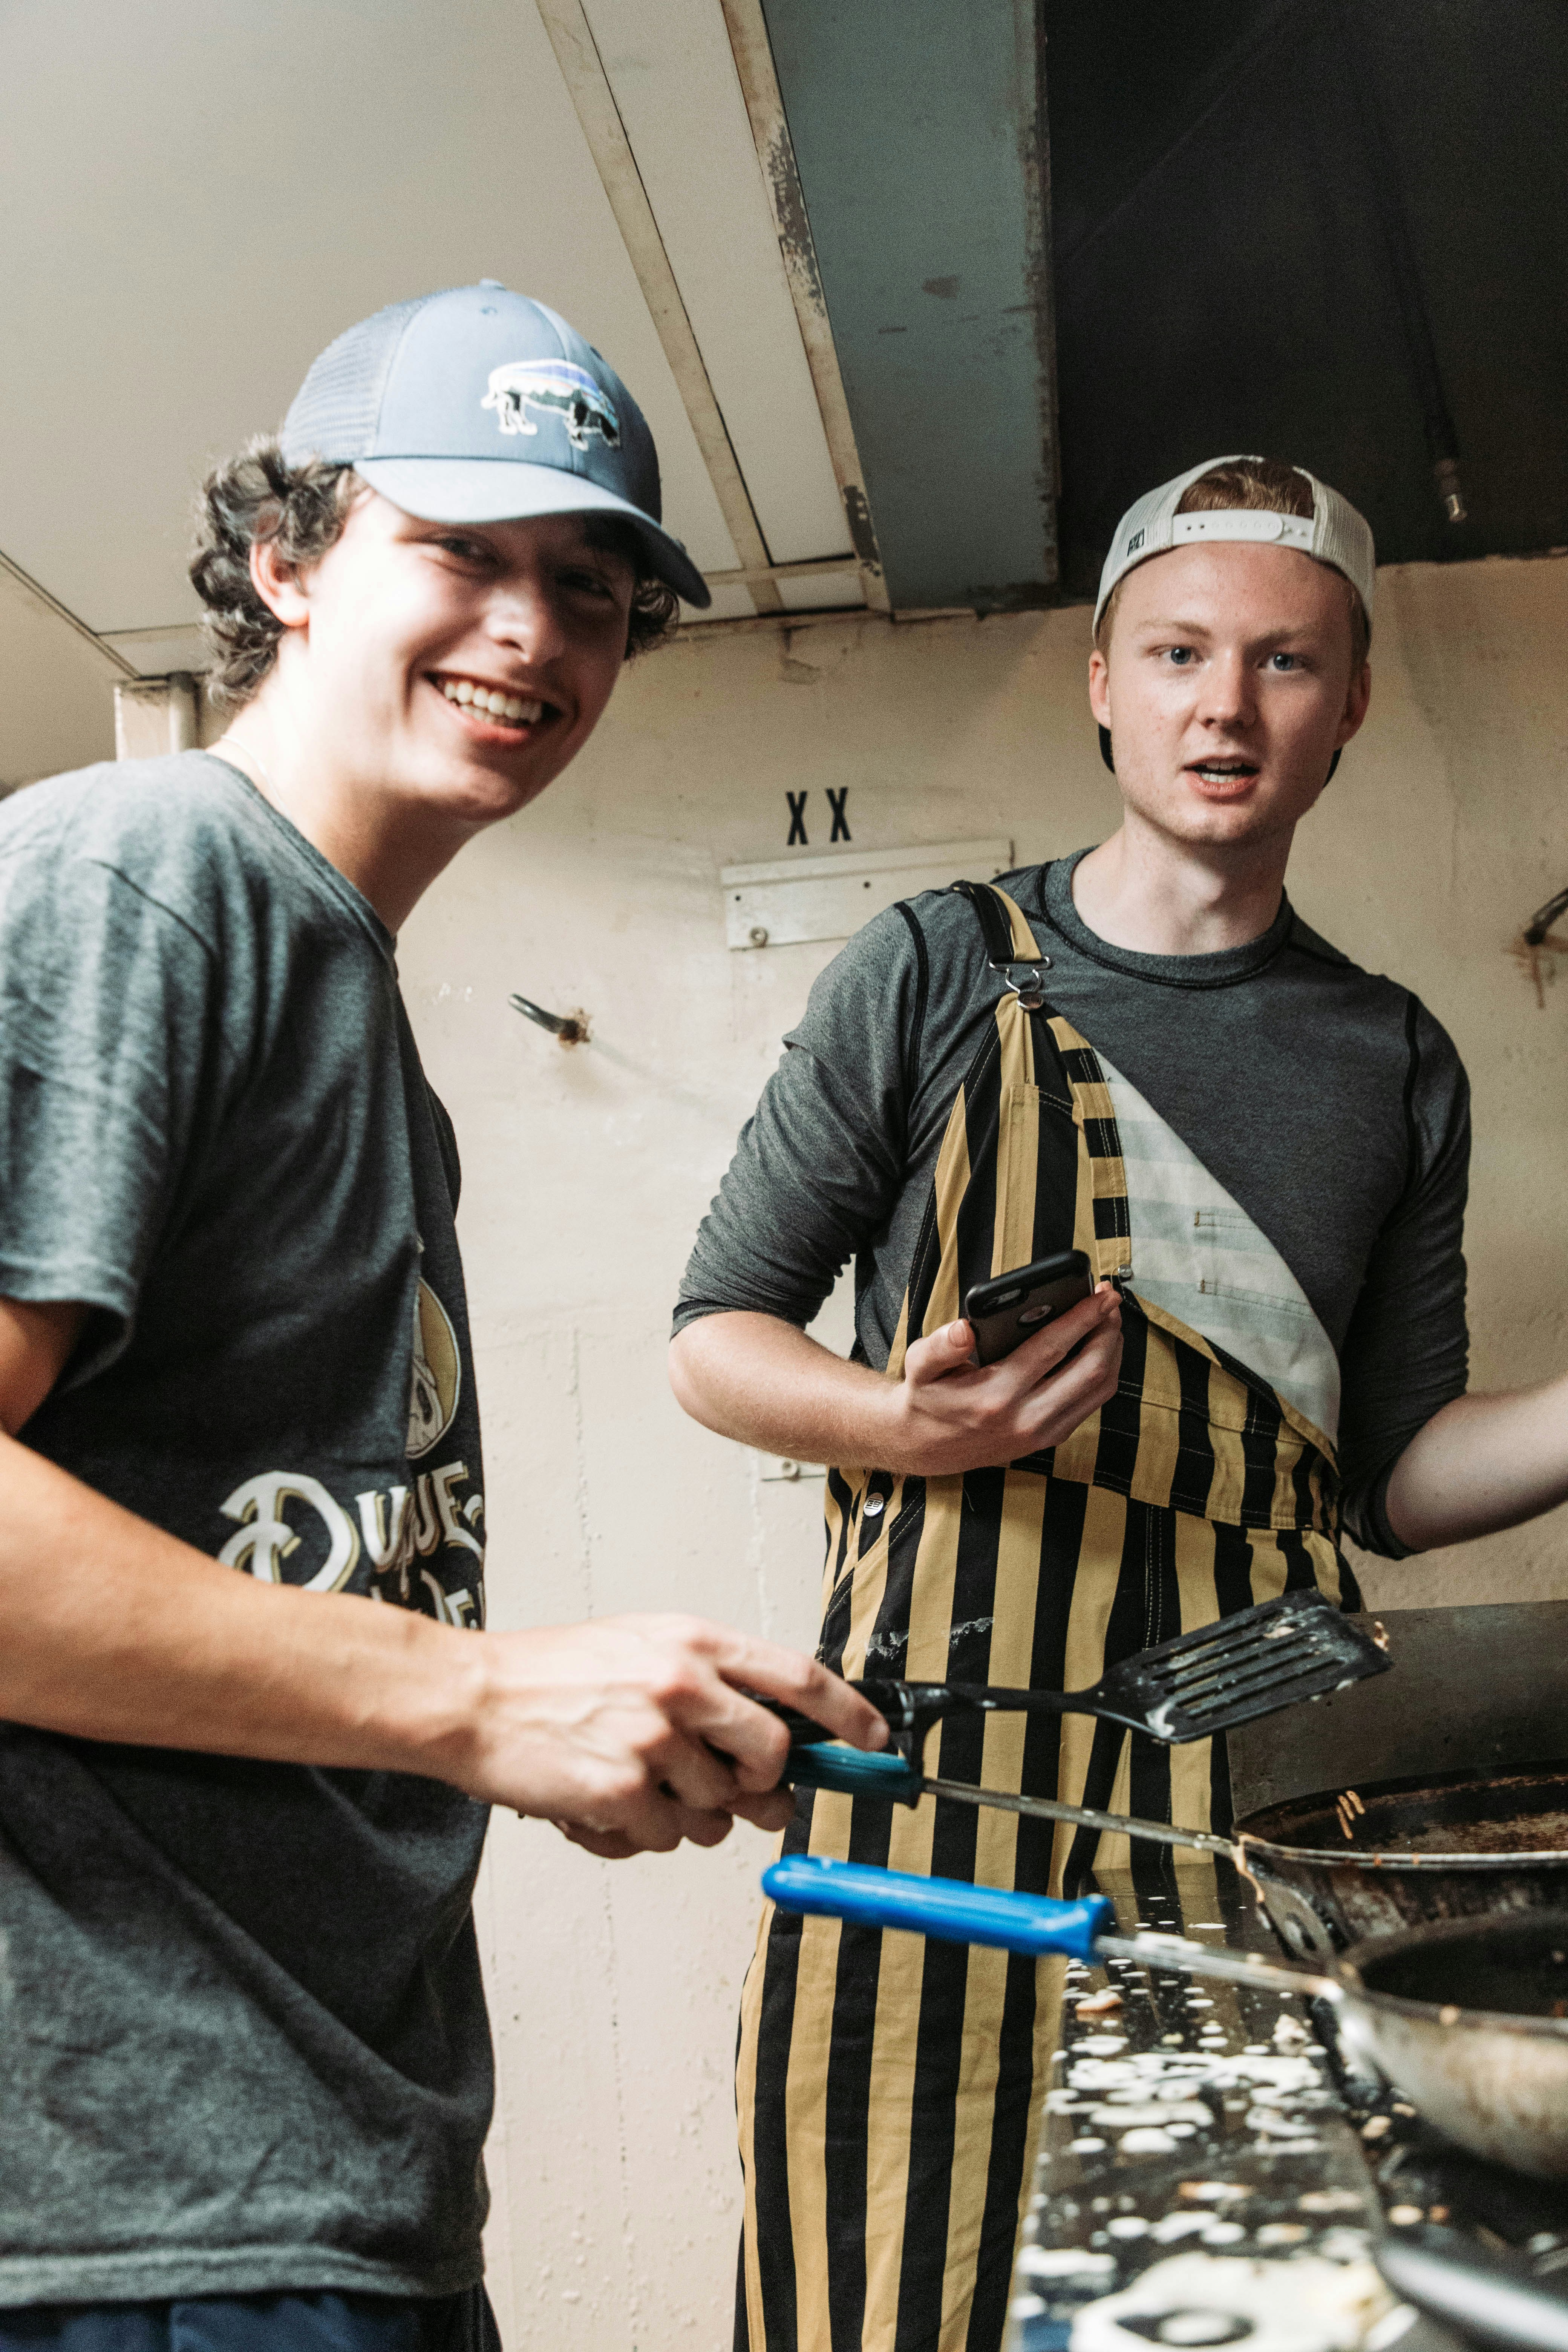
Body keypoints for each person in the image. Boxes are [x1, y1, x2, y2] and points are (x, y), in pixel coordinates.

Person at [0, 283, 885, 2347]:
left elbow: (269, 1594)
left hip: (334, 2178)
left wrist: (574, 1720)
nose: (529, 630)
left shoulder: (346, 996)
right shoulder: (139, 879)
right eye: (460, 551)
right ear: (287, 562)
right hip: (132, 2220)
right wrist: (481, 1702)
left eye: (587, 586)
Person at [669, 453, 1568, 2352]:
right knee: (875, 2289)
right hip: (927, 1797)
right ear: (1101, 680)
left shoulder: (1389, 1057)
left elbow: (1391, 1484)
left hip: (1251, 1797)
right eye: (1175, 653)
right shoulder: (934, 972)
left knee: (1229, 2296)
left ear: (1348, 703)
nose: (1222, 707)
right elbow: (713, 1336)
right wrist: (904, 1427)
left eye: (1281, 661)